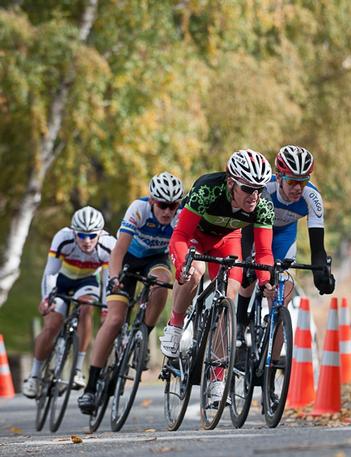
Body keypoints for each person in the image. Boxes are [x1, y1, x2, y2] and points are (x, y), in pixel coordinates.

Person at [160, 149, 275, 403]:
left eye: (259, 189)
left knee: (229, 299)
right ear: (231, 182)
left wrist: (266, 281)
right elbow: (178, 236)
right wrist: (182, 265)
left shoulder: (263, 205)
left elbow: (264, 252)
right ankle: (176, 323)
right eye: (248, 188)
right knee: (195, 272)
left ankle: (217, 377)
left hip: (227, 240)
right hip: (195, 237)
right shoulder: (207, 189)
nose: (254, 195)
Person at [78, 172, 183, 414]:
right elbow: (118, 250)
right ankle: (91, 387)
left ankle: (143, 336)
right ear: (152, 201)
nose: (168, 212)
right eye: (163, 205)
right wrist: (114, 278)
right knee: (114, 320)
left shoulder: (178, 217)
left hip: (155, 260)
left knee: (162, 281)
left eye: (173, 206)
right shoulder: (138, 209)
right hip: (127, 260)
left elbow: (179, 252)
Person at [236, 145, 335, 342]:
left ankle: (270, 365)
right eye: (292, 181)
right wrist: (247, 261)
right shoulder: (264, 189)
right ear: (279, 177)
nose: (298, 188)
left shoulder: (312, 198)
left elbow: (317, 247)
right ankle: (240, 324)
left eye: (303, 181)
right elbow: (246, 231)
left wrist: (321, 274)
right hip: (257, 232)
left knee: (284, 298)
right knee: (248, 275)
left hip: (284, 237)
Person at [22, 206, 115, 398]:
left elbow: (108, 280)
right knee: (52, 325)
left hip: (88, 282)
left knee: (86, 308)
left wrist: (107, 308)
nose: (87, 241)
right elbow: (50, 273)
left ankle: (77, 370)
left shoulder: (109, 245)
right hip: (61, 280)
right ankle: (34, 376)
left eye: (92, 235)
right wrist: (47, 299)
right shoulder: (63, 238)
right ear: (74, 232)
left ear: (100, 233)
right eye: (81, 235)